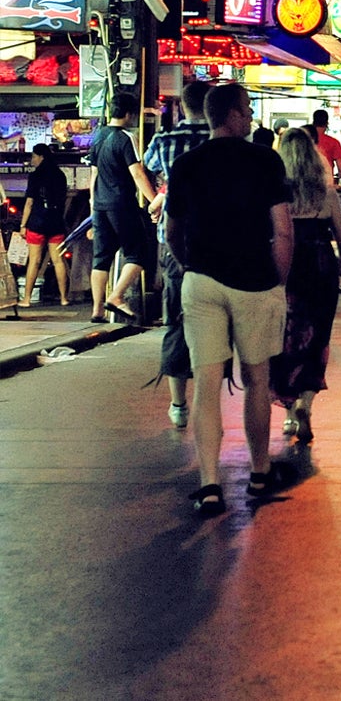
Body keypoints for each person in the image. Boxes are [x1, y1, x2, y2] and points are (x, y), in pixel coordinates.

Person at [165, 83, 294, 515]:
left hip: (201, 280)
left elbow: (172, 231)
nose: (252, 115)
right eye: (249, 108)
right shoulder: (264, 160)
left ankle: (209, 484)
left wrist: (191, 265)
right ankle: (259, 471)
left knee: (205, 383)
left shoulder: (186, 164)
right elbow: (283, 229)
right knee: (257, 379)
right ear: (233, 115)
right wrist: (280, 280)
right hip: (254, 279)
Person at [269, 128, 341, 443]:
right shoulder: (325, 192)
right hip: (320, 265)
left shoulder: (276, 191)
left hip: (287, 264)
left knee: (286, 335)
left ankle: (290, 413)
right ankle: (306, 403)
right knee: (318, 337)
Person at [141, 80, 212, 427]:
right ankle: (209, 397)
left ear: (182, 107)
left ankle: (178, 404)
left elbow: (150, 168)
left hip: (174, 240)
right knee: (216, 318)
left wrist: (159, 196)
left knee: (177, 318)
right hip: (217, 241)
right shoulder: (221, 143)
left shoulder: (164, 141)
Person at [87, 92, 158, 324]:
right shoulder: (126, 138)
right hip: (121, 205)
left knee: (101, 258)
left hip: (99, 205)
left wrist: (92, 204)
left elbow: (94, 174)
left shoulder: (98, 136)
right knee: (138, 253)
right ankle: (116, 296)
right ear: (129, 114)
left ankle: (97, 311)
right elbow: (137, 173)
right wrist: (153, 201)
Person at [19, 144, 69, 309]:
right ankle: (63, 298)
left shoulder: (35, 176)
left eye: (34, 156)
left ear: (41, 157)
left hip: (37, 222)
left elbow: (29, 202)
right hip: (55, 222)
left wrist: (23, 225)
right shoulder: (60, 175)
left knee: (34, 261)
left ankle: (26, 299)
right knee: (58, 261)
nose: (32, 160)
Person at [310, 108, 341, 186]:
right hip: (326, 186)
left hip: (306, 185)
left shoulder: (304, 140)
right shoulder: (333, 142)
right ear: (327, 123)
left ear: (313, 122)